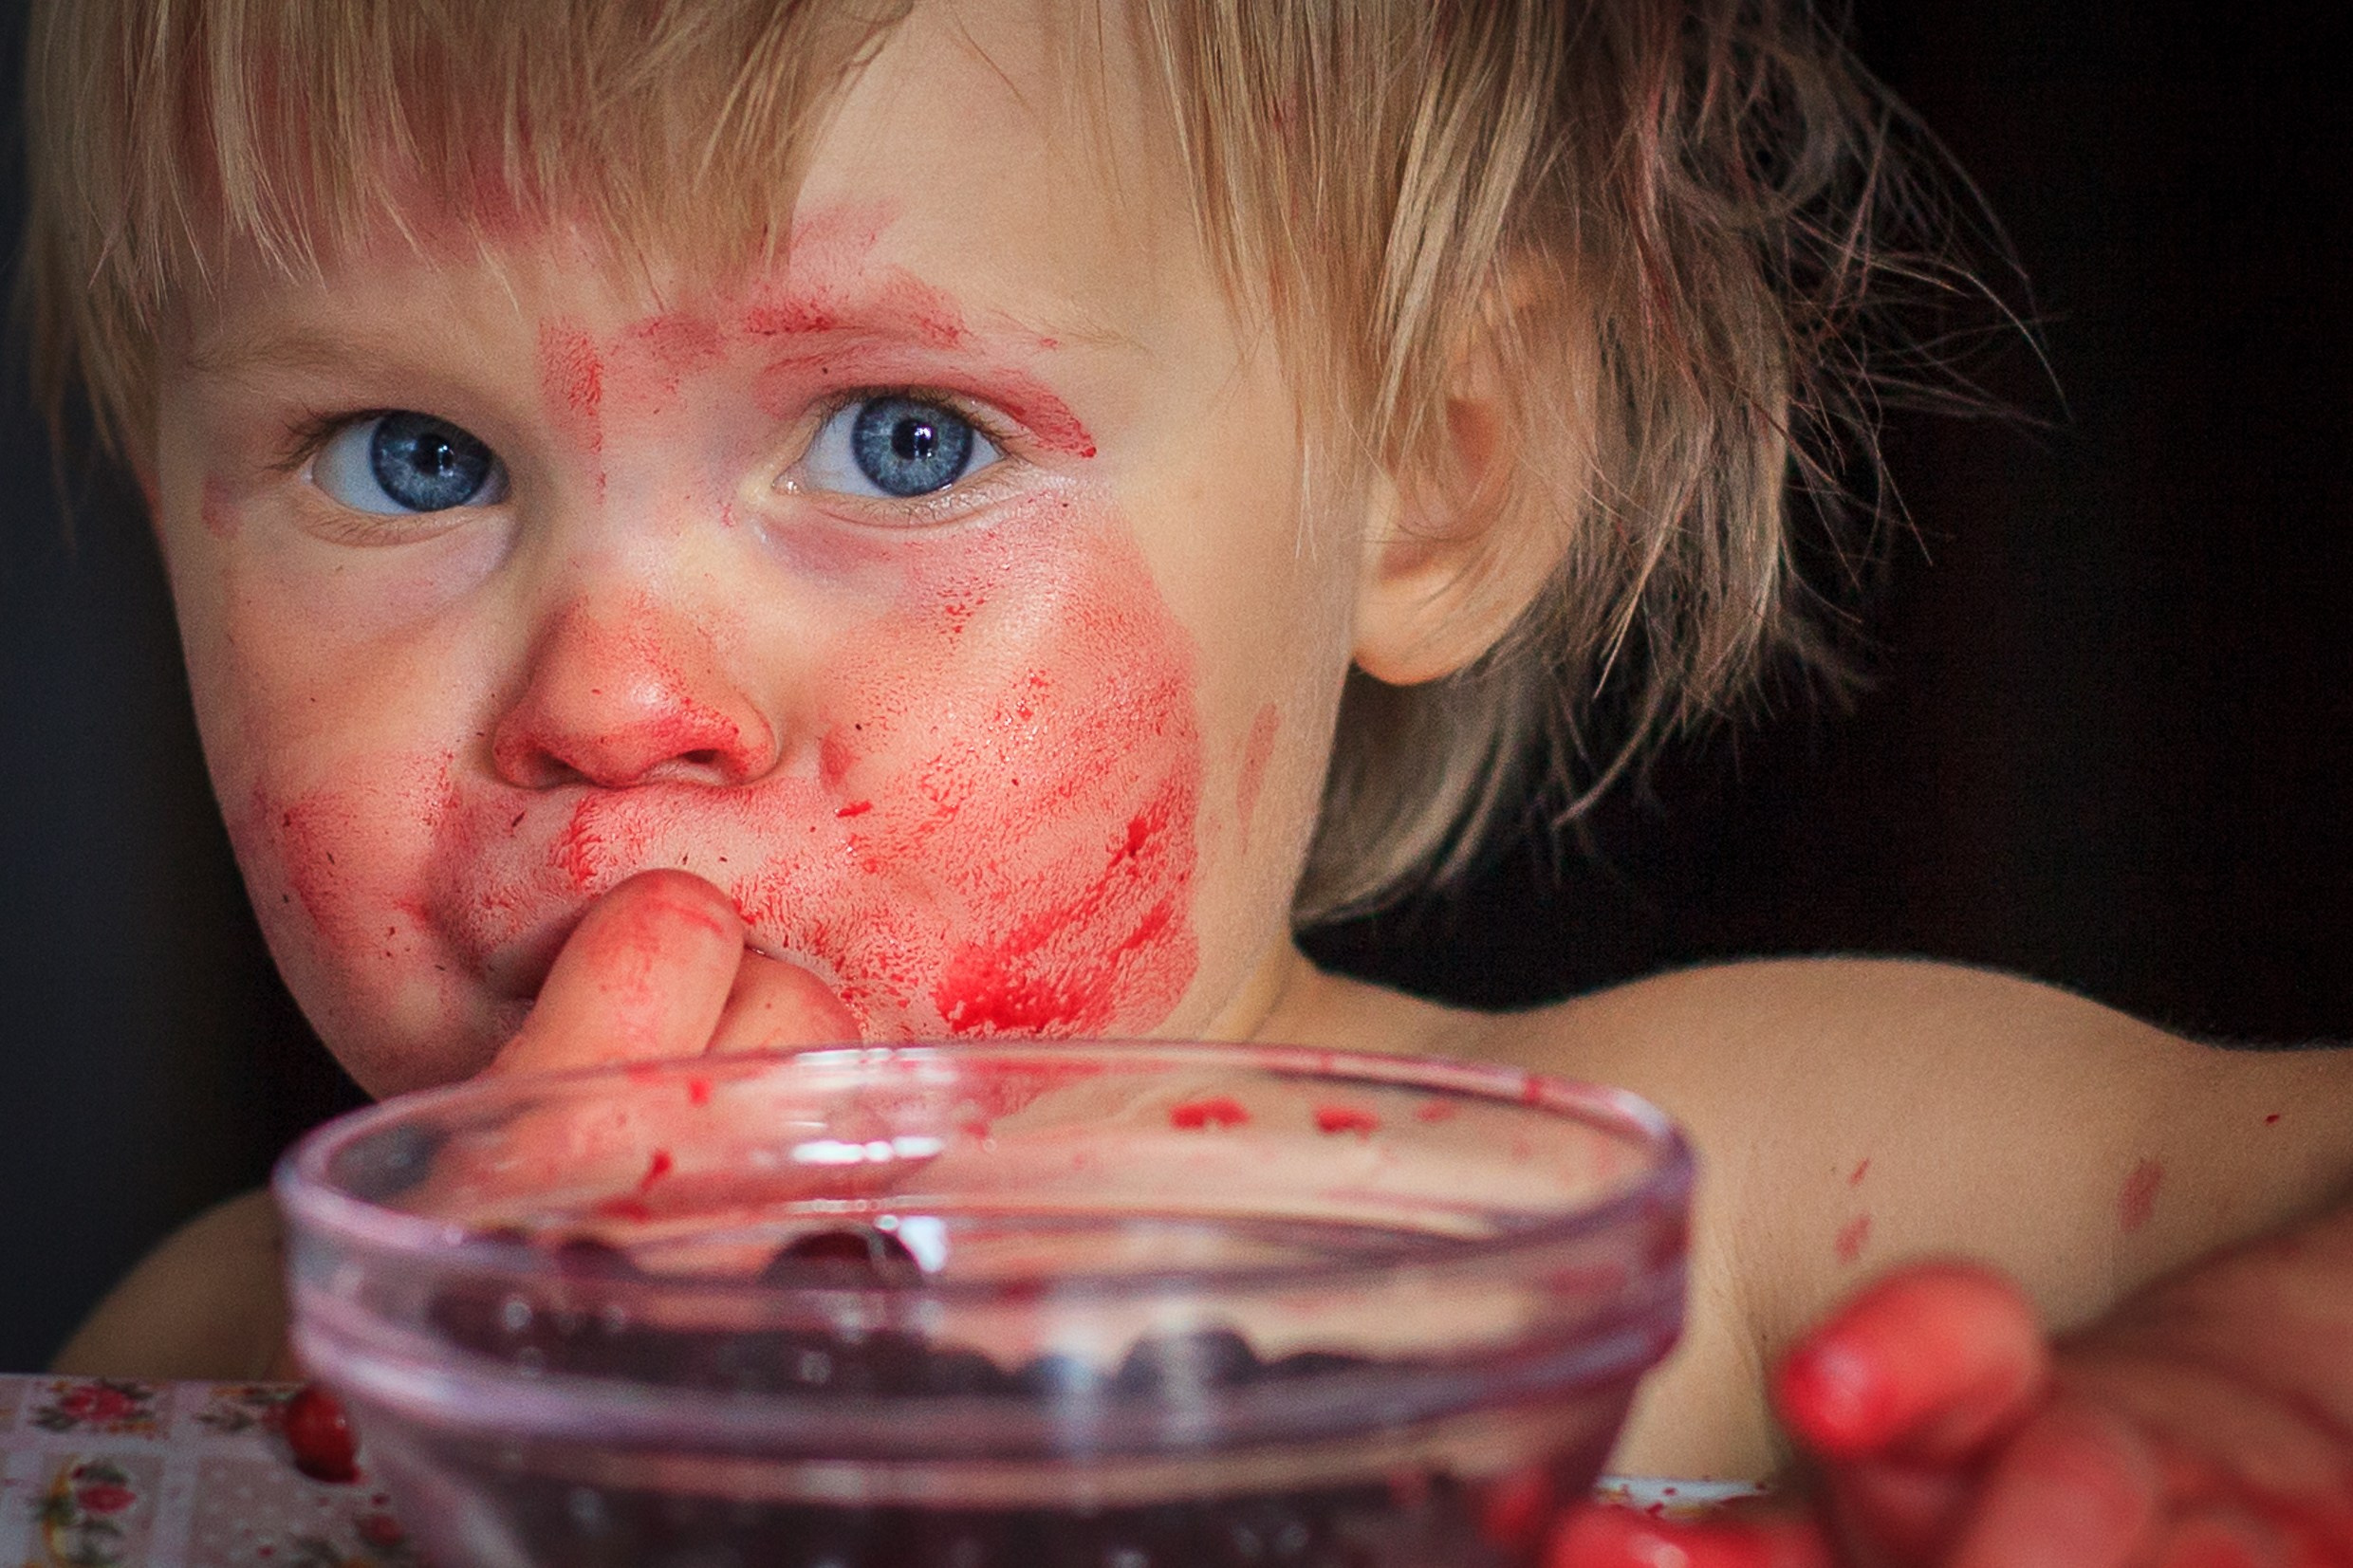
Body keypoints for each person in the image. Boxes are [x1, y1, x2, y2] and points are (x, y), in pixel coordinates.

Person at [24, 0, 2350, 1561]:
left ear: (1431, 479)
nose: (619, 696)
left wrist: (2254, 1380)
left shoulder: (1699, 1216)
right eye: (407, 456)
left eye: (899, 436)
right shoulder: (233, 1365)